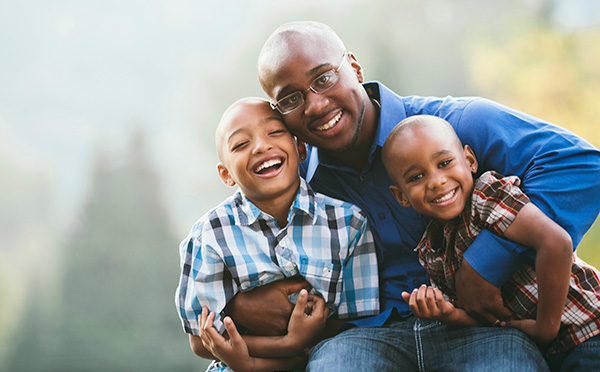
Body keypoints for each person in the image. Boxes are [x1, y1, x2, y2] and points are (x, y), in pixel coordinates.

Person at [224, 21, 600, 371]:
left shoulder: (450, 128)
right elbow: (225, 243)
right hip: (361, 337)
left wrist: (485, 262)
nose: (317, 104)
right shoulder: (292, 181)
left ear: (354, 69)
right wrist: (238, 306)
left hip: (480, 325)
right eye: (290, 99)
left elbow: (582, 167)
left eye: (324, 78)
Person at [174, 97, 380, 371]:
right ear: (226, 175)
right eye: (240, 144)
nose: (261, 146)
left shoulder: (348, 223)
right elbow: (202, 340)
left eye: (274, 132)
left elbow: (358, 323)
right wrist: (284, 346)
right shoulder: (210, 237)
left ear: (301, 148)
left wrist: (299, 348)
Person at [382, 115, 600, 371]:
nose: (436, 181)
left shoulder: (486, 197)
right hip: (552, 351)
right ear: (401, 197)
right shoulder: (431, 250)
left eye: (445, 163)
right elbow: (480, 315)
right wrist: (446, 313)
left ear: (470, 160)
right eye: (416, 176)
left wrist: (544, 329)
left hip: (588, 330)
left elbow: (556, 243)